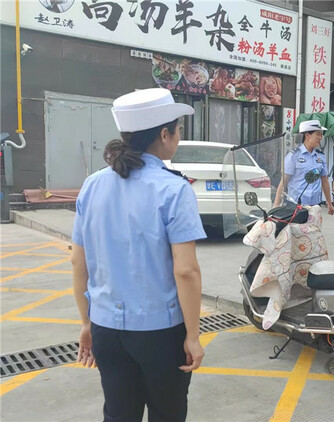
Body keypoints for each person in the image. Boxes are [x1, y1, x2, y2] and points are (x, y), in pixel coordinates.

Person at [71, 88, 206, 421]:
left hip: (105, 328)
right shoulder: (174, 189)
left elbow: (78, 261)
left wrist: (86, 322)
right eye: (177, 130)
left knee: (119, 414)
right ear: (164, 134)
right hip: (160, 333)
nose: (177, 136)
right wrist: (192, 335)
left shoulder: (92, 185)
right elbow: (186, 271)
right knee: (167, 413)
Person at [273, 119, 334, 214]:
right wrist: (275, 206)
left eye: (321, 134)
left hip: (315, 205)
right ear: (307, 136)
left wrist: (329, 203)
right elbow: (283, 182)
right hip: (295, 205)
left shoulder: (320, 156)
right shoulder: (293, 156)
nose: (321, 138)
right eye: (318, 134)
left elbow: (324, 180)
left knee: (314, 229)